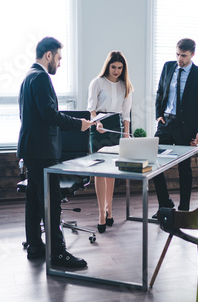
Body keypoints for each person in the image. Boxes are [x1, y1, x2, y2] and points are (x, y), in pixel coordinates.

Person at [17, 37, 94, 267]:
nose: (59, 63)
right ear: (48, 55)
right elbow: (49, 115)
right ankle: (58, 254)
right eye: (58, 58)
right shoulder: (40, 77)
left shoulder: (28, 76)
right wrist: (78, 124)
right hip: (42, 151)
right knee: (51, 202)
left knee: (33, 200)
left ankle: (35, 246)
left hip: (31, 148)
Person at [152, 38, 198, 217]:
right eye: (177, 54)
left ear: (192, 54)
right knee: (155, 164)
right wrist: (158, 114)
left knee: (184, 169)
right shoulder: (167, 67)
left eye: (184, 56)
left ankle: (184, 210)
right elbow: (160, 92)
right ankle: (165, 204)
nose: (180, 59)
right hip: (166, 124)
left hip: (187, 128)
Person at [87, 51, 133, 233]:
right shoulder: (97, 82)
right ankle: (100, 214)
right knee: (100, 171)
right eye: (113, 67)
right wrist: (96, 122)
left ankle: (110, 210)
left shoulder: (125, 86)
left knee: (111, 171)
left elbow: (126, 114)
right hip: (98, 126)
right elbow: (91, 108)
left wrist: (127, 134)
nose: (116, 71)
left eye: (120, 68)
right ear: (108, 66)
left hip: (114, 126)